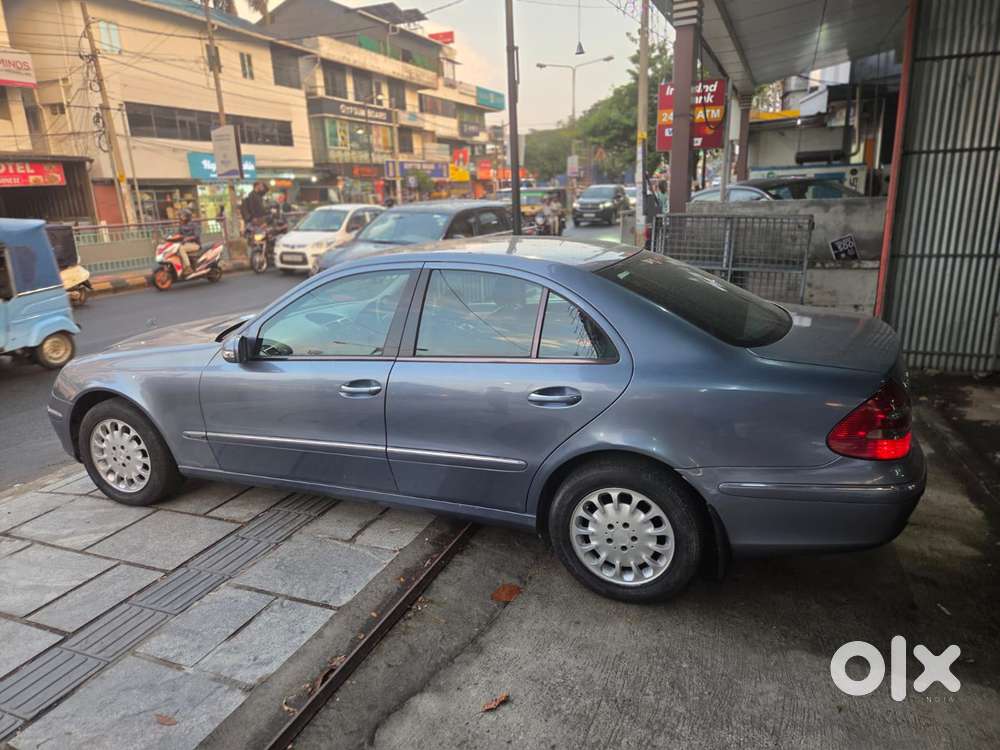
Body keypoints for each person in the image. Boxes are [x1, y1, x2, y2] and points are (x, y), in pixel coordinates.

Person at [177, 209, 200, 274]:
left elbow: (196, 236)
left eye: (182, 216)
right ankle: (182, 268)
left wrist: (187, 238)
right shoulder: (181, 225)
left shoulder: (194, 225)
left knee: (181, 249)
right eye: (180, 216)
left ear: (187, 217)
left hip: (195, 244)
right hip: (185, 244)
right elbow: (178, 234)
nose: (180, 217)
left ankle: (188, 267)